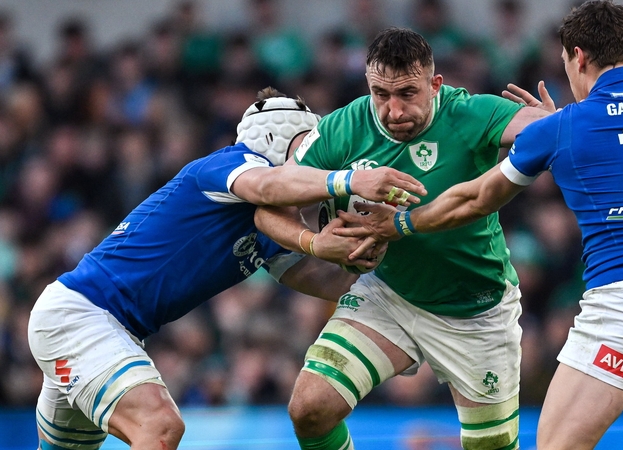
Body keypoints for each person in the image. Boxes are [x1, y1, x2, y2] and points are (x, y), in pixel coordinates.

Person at [336, 2, 623, 449]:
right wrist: (552, 128)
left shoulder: (565, 125)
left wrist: (403, 223)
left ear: (578, 56)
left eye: (566, 62)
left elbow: (474, 198)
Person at [27, 87, 426, 450]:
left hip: (109, 328)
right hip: (82, 316)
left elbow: (317, 277)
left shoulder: (271, 226)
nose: (313, 160)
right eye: (307, 147)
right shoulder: (231, 164)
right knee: (160, 425)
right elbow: (268, 186)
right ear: (278, 138)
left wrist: (383, 270)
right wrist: (352, 180)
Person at [255, 27, 551, 450]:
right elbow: (269, 205)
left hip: (476, 309)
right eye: (381, 94)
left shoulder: (467, 114)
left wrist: (548, 124)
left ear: (435, 86)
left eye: (407, 94)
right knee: (310, 408)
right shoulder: (344, 127)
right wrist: (315, 243)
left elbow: (535, 127)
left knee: (492, 445)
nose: (393, 110)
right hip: (390, 296)